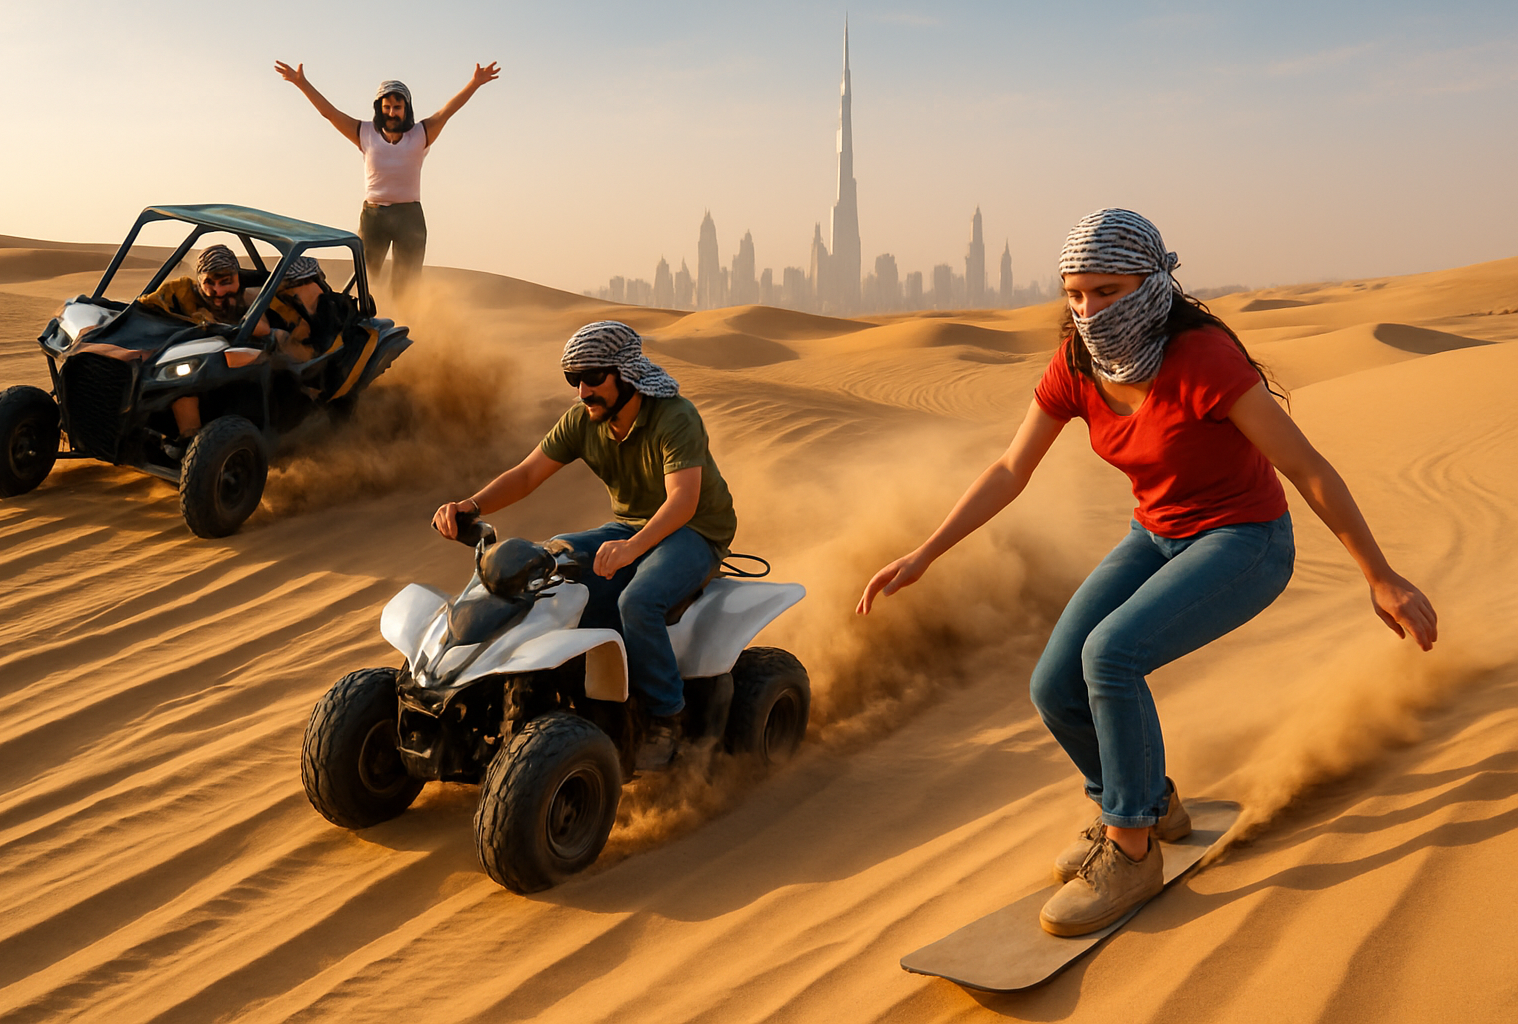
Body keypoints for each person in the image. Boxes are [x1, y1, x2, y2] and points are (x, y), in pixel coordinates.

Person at [857, 209, 1437, 938]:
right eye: (1075, 294)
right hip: (1155, 536)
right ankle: (1147, 806)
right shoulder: (1076, 362)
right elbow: (1010, 469)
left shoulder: (1204, 358)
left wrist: (1379, 575)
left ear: (1152, 282)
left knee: (1111, 655)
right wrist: (925, 552)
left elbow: (1306, 466)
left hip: (1245, 540)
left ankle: (1131, 851)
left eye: (1107, 291)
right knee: (1054, 686)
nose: (1089, 311)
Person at [432, 321, 737, 771]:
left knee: (639, 602)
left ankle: (665, 716)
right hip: (629, 525)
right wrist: (471, 506)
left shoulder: (675, 417)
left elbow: (682, 502)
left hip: (696, 531)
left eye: (592, 377)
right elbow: (527, 474)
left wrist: (631, 549)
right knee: (544, 565)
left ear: (626, 373)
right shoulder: (583, 420)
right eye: (573, 378)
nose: (582, 391)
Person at [274, 59, 500, 297]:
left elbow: (447, 111)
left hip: (409, 217)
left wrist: (475, 83)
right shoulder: (364, 133)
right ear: (379, 108)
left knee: (406, 284)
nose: (392, 113)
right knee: (364, 277)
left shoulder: (421, 134)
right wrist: (302, 83)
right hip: (374, 216)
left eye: (397, 107)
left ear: (406, 109)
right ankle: (362, 318)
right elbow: (329, 113)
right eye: (387, 107)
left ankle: (407, 317)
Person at [136, 244, 276, 448]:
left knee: (185, 389)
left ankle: (192, 446)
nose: (218, 291)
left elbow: (263, 329)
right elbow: (146, 307)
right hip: (186, 357)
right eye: (209, 283)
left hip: (236, 367)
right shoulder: (183, 291)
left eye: (226, 282)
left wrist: (231, 320)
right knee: (174, 384)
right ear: (199, 280)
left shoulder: (248, 296)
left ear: (237, 277)